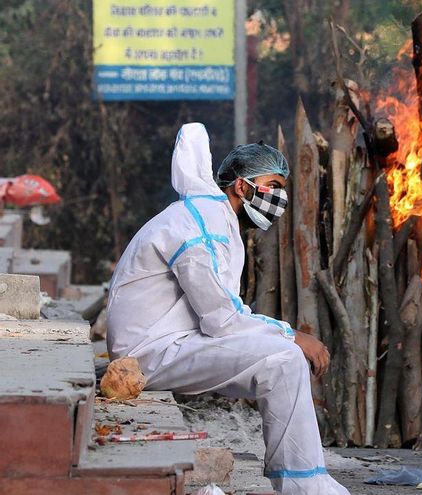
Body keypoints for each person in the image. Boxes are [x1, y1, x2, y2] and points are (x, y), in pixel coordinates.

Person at [106, 123, 350, 495]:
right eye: (275, 187)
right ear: (241, 186)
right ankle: (305, 485)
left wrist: (286, 335)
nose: (279, 198)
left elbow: (225, 312)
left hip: (167, 345)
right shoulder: (198, 225)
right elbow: (221, 319)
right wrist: (292, 335)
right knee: (284, 359)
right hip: (147, 357)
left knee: (282, 358)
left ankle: (302, 479)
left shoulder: (208, 217)